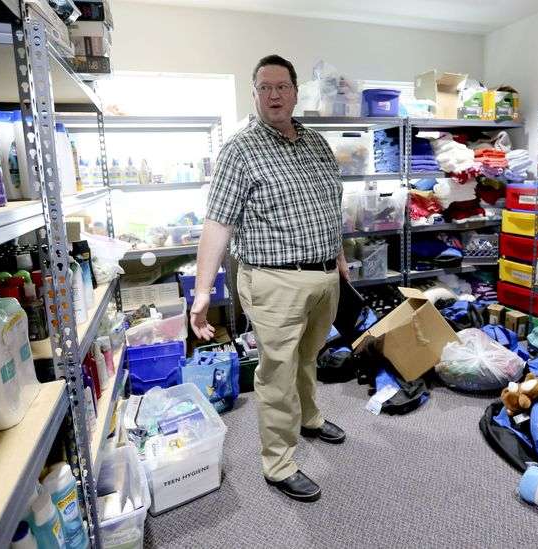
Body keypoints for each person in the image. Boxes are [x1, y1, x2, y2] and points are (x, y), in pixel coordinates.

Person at [190, 54, 348, 502]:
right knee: (276, 373)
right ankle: (278, 464)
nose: (274, 95)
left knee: (308, 357)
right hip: (273, 281)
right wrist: (203, 293)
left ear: (296, 92)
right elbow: (217, 224)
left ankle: (310, 418)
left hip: (323, 277)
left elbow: (329, 207)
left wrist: (338, 258)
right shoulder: (239, 151)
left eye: (282, 86)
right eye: (265, 88)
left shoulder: (317, 143)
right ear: (255, 94)